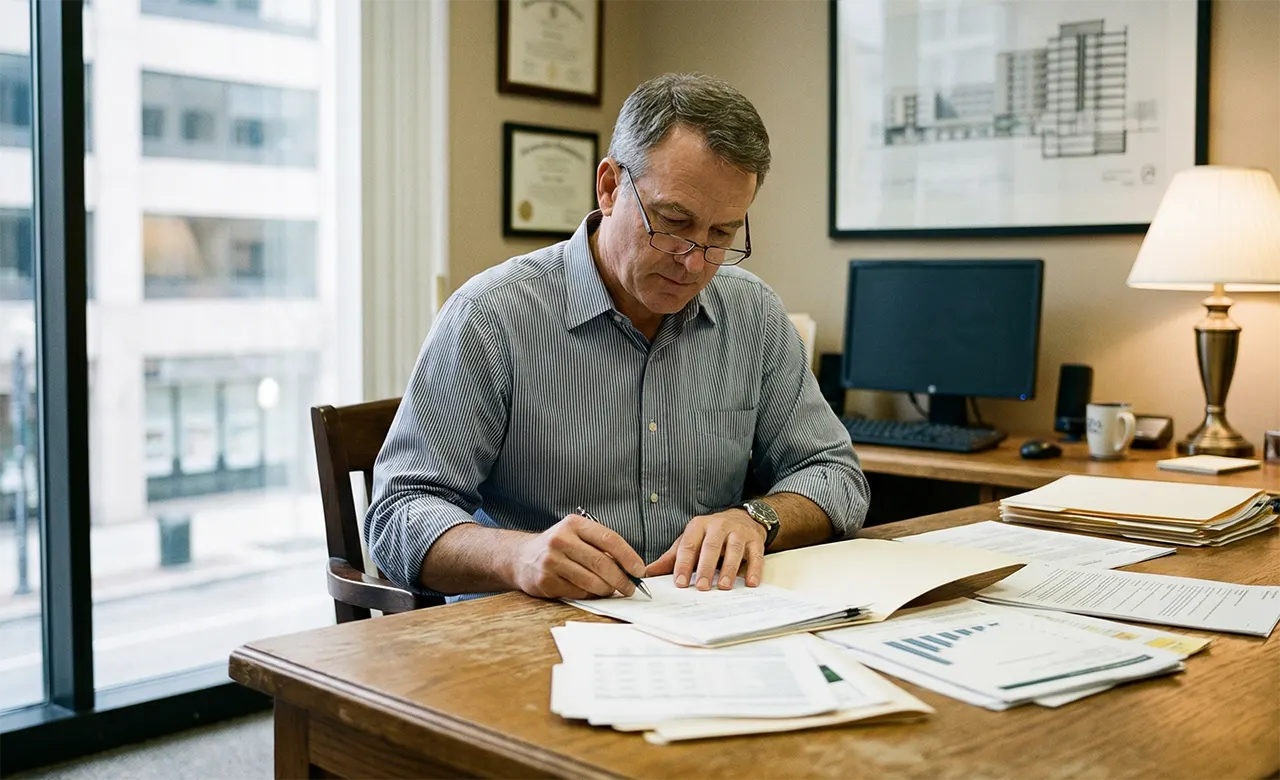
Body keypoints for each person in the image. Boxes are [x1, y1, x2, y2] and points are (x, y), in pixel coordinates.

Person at [366, 72, 868, 601]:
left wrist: (757, 518)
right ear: (608, 187)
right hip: (532, 630)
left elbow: (835, 474)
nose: (695, 261)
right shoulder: (491, 315)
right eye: (673, 221)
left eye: (721, 234)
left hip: (704, 624)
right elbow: (398, 513)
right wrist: (518, 555)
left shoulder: (754, 314)